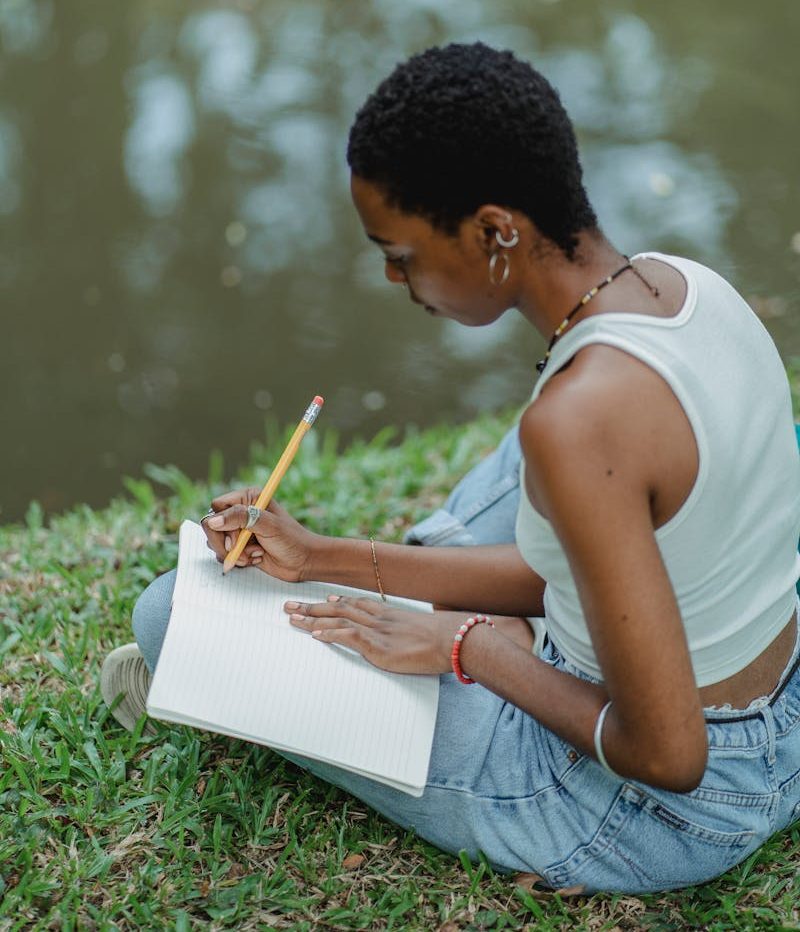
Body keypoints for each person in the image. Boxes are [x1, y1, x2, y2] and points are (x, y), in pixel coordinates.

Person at [101, 43, 800, 894]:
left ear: (495, 232)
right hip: (777, 704)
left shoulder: (578, 428)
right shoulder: (682, 285)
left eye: (401, 253)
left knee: (171, 612)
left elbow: (668, 755)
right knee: (537, 455)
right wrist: (317, 553)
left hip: (652, 805)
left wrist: (470, 646)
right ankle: (391, 598)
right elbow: (579, 573)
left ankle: (245, 669)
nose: (393, 277)